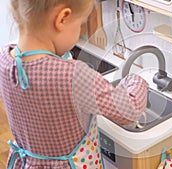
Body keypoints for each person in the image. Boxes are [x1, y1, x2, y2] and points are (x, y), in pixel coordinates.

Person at [0, 0, 149, 168]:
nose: (80, 32)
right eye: (80, 25)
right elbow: (129, 110)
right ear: (62, 18)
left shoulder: (4, 60)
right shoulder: (73, 76)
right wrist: (137, 80)